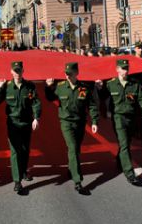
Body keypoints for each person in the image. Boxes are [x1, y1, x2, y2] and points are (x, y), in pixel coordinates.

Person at [45, 62, 98, 194]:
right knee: (73, 148)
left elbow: (91, 106)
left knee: (76, 149)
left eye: (70, 74)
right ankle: (78, 180)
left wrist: (94, 122)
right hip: (66, 122)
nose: (67, 76)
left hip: (80, 122)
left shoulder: (84, 89)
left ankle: (71, 168)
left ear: (76, 73)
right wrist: (48, 87)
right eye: (66, 74)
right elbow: (50, 98)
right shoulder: (61, 87)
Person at [0, 61, 41, 194]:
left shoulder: (29, 86)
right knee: (15, 151)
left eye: (19, 70)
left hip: (26, 123)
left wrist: (36, 118)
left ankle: (24, 171)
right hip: (13, 123)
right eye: (15, 71)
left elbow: (36, 103)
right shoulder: (7, 86)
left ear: (23, 71)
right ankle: (17, 181)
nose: (17, 73)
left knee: (25, 150)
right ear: (11, 72)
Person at [106, 59, 142, 185]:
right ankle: (130, 174)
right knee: (124, 144)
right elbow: (102, 97)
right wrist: (100, 87)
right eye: (123, 68)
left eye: (127, 68)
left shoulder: (134, 84)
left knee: (127, 142)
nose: (125, 71)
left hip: (131, 117)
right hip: (118, 117)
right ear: (117, 69)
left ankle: (120, 161)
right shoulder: (111, 84)